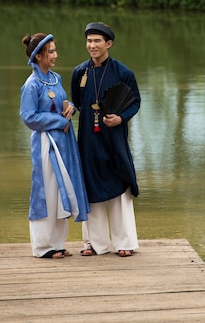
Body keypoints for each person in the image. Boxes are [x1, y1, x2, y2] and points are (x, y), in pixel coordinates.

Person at [71, 21, 141, 258]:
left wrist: (120, 118)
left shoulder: (123, 73)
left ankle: (125, 242)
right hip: (89, 138)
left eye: (97, 41)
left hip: (114, 138)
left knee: (119, 184)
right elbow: (78, 102)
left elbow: (135, 103)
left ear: (108, 43)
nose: (92, 45)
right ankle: (93, 242)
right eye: (89, 41)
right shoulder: (80, 72)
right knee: (90, 184)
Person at [20, 32, 90, 259]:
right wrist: (59, 121)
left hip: (64, 142)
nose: (55, 55)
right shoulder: (31, 85)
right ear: (38, 56)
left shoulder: (55, 78)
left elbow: (61, 102)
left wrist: (70, 107)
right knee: (47, 191)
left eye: (54, 50)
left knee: (62, 190)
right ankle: (43, 246)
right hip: (45, 143)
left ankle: (58, 243)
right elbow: (29, 117)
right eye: (50, 52)